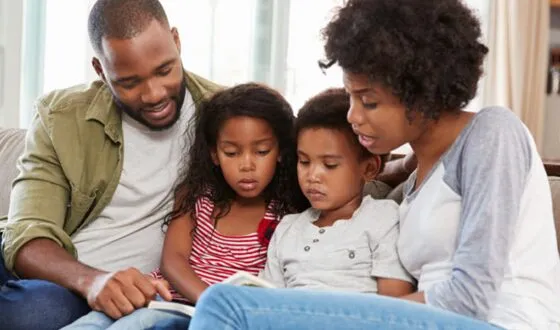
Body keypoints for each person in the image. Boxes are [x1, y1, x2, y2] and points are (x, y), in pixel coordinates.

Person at [188, 0, 560, 329]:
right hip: (430, 320)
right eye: (351, 97)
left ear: (422, 92)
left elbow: (469, 296)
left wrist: (349, 316)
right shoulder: (420, 172)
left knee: (227, 306)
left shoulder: (493, 133)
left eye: (369, 102)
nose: (353, 116)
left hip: (496, 321)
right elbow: (373, 173)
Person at [0, 1, 221, 329]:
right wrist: (93, 281)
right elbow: (26, 231)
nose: (154, 94)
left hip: (58, 298)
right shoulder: (62, 116)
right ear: (101, 70)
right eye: (129, 82)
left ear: (176, 41)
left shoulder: (226, 118)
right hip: (52, 268)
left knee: (37, 313)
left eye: (164, 70)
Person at [62, 83, 307, 329]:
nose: (246, 165)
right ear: (214, 155)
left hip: (201, 318)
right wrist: (209, 300)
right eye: (231, 153)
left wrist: (217, 309)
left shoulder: (286, 217)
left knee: (139, 323)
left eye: (261, 151)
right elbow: (172, 261)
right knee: (93, 322)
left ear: (280, 152)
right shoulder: (195, 196)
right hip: (164, 297)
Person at [260, 88, 414, 298]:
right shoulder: (287, 228)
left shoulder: (384, 218)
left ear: (369, 169)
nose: (312, 175)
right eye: (304, 162)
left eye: (330, 165)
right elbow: (265, 303)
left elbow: (394, 307)